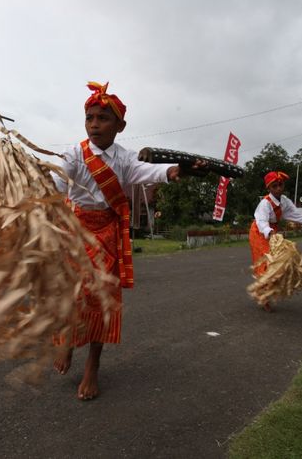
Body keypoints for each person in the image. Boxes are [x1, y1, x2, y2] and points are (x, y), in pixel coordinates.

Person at [50, 81, 206, 401]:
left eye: (103, 119)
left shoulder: (125, 159)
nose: (94, 124)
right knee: (70, 293)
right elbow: (54, 182)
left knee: (102, 302)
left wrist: (177, 171)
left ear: (120, 126)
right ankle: (66, 338)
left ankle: (93, 365)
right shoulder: (73, 155)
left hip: (106, 234)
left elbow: (149, 172)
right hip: (75, 231)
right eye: (90, 118)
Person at [248, 171, 302, 312]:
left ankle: (269, 291)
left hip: (273, 232)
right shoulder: (265, 203)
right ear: (269, 188)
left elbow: (294, 213)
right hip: (260, 232)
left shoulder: (284, 200)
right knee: (268, 263)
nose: (279, 188)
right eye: (275, 186)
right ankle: (263, 298)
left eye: (280, 185)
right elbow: (261, 221)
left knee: (280, 262)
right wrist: (270, 232)